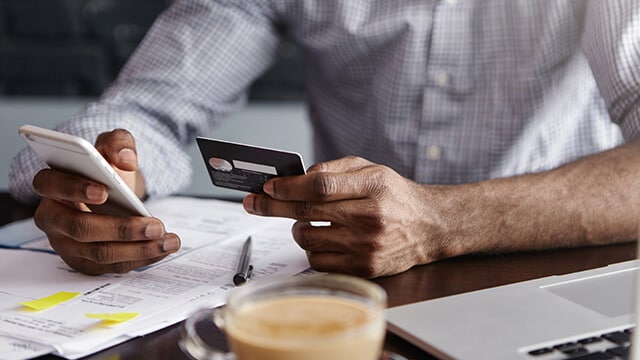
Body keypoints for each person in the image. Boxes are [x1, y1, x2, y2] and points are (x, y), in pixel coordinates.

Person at [9, 1, 640, 278]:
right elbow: (153, 106)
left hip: (548, 267)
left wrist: (441, 221)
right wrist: (109, 175)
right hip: (340, 280)